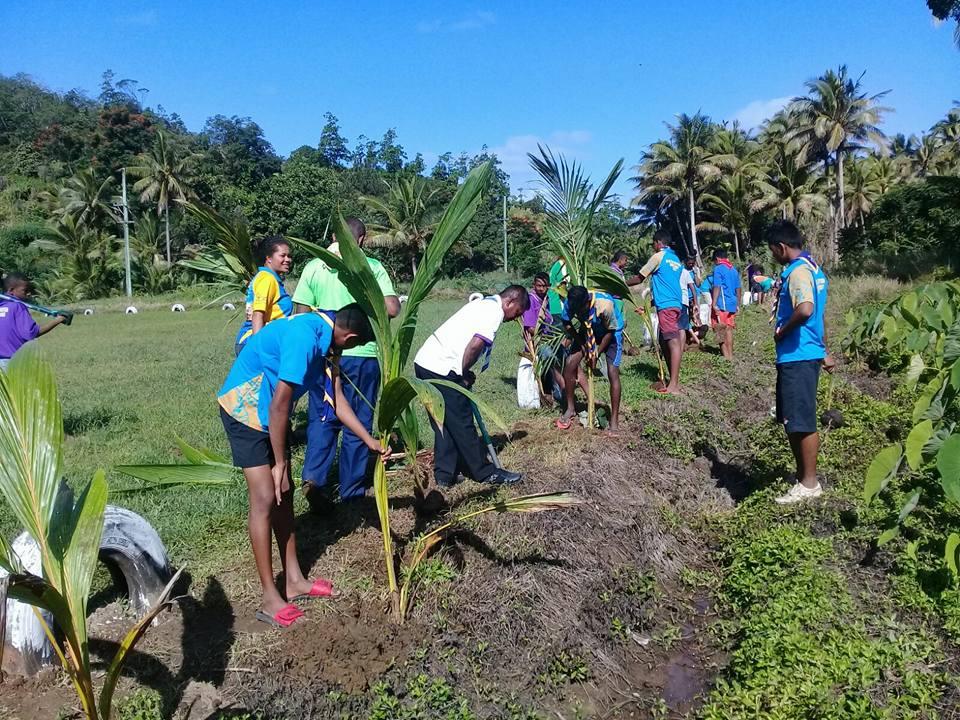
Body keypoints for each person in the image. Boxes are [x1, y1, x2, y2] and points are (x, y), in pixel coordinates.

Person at [217, 306, 388, 627]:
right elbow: (281, 404)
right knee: (266, 497)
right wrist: (280, 462)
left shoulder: (329, 340)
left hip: (268, 415)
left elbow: (336, 399)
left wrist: (369, 440)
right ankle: (270, 598)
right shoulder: (305, 338)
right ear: (349, 338)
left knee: (285, 492)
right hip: (245, 410)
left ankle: (294, 581)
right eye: (352, 346)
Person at [292, 218, 400, 507]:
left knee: (323, 416)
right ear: (362, 240)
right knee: (359, 420)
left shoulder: (315, 266)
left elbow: (300, 313)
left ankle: (314, 479)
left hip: (324, 353)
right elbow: (392, 308)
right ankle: (352, 491)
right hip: (362, 353)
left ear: (333, 236)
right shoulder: (370, 267)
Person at [413, 286, 530, 488]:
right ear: (509, 302)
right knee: (461, 420)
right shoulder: (494, 311)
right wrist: (462, 374)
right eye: (517, 312)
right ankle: (484, 473)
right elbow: (476, 345)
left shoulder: (483, 304)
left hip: (424, 362)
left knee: (443, 422)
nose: (514, 318)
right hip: (441, 367)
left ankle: (445, 474)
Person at [767, 220, 834, 505]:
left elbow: (805, 310)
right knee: (793, 418)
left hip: (798, 354)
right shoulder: (813, 268)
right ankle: (803, 476)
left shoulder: (797, 273)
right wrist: (824, 349)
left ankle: (809, 483)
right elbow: (818, 313)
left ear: (782, 247)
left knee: (801, 421)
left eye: (773, 250)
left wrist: (782, 330)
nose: (773, 256)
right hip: (807, 351)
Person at [556, 285, 625, 432]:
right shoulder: (572, 302)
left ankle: (614, 421)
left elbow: (611, 330)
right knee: (569, 365)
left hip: (611, 333)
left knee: (613, 372)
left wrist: (596, 352)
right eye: (576, 310)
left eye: (581, 309)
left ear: (587, 301)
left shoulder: (604, 305)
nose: (579, 312)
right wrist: (582, 344)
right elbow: (566, 322)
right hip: (587, 331)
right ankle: (570, 408)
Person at [636, 229, 685, 394]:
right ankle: (673, 379)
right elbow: (666, 284)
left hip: (667, 306)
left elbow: (640, 277)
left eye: (653, 244)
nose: (653, 247)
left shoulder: (658, 257)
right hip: (675, 303)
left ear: (658, 243)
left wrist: (619, 283)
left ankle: (674, 385)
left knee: (673, 342)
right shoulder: (676, 259)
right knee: (664, 341)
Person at [235, 236, 294, 356]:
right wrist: (258, 347)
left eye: (289, 256)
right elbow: (258, 314)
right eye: (283, 256)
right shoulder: (267, 278)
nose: (288, 259)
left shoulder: (270, 278)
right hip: (255, 342)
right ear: (269, 258)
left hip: (268, 340)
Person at [0, 273, 67, 371]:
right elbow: (32, 333)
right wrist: (59, 320)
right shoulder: (18, 307)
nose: (28, 294)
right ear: (11, 291)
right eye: (25, 290)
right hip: (14, 362)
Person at [521, 272, 562, 405]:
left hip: (548, 338)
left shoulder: (546, 299)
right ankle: (558, 395)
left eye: (545, 286)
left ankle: (559, 390)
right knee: (551, 358)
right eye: (539, 285)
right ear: (534, 285)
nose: (541, 289)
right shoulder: (531, 300)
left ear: (549, 286)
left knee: (564, 355)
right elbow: (530, 328)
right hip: (536, 342)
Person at [710, 249, 742, 359]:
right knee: (728, 330)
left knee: (719, 329)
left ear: (718, 259)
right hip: (732, 304)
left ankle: (726, 357)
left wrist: (714, 304)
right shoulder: (733, 270)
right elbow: (738, 288)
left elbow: (717, 286)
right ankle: (730, 356)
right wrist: (738, 304)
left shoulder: (718, 269)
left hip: (721, 304)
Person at [679, 256, 700, 349]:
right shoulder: (683, 271)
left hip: (692, 299)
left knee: (695, 320)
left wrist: (695, 273)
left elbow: (697, 285)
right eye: (689, 263)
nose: (691, 265)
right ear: (685, 263)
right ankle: (685, 342)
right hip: (684, 299)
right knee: (685, 323)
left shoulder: (693, 271)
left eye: (693, 263)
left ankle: (691, 339)